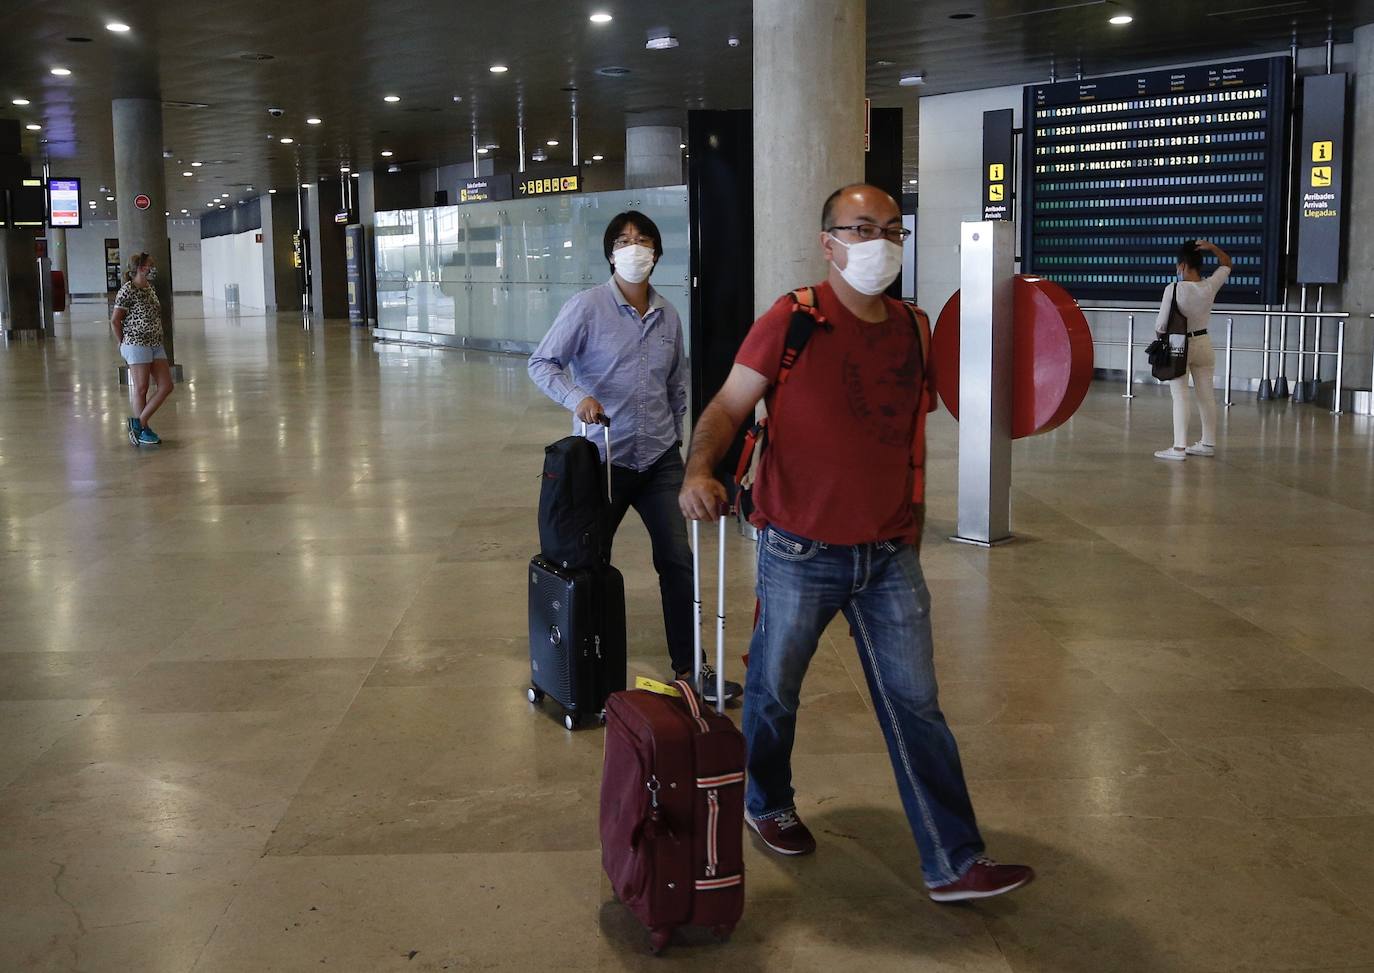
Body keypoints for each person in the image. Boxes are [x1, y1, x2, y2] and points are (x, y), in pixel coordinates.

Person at [678, 184, 1033, 902]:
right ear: (829, 241)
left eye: (892, 229)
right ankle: (766, 800)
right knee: (775, 692)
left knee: (916, 705)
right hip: (798, 550)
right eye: (863, 228)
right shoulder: (793, 318)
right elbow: (725, 406)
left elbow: (907, 435)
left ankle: (953, 859)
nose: (881, 243)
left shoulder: (916, 326)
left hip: (888, 554)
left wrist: (912, 527)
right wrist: (697, 469)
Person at [528, 211, 742, 705]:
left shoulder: (668, 315)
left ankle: (692, 669)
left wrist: (681, 448)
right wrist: (577, 396)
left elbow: (676, 386)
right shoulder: (586, 307)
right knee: (586, 562)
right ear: (610, 254)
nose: (634, 248)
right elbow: (543, 362)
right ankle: (583, 664)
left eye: (642, 240)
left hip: (660, 460)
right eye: (623, 241)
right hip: (602, 464)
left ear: (657, 254)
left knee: (677, 560)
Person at [1153, 239, 1231, 462]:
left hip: (1179, 344)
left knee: (1180, 396)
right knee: (1206, 396)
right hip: (1204, 342)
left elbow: (1160, 325)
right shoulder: (1209, 286)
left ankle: (1179, 448)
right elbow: (1227, 263)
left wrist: (1161, 340)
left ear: (1182, 266)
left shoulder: (1174, 288)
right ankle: (1207, 443)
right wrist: (1213, 248)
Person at [111, 252, 173, 447]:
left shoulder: (150, 288)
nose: (153, 268)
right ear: (139, 267)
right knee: (141, 388)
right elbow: (115, 320)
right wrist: (122, 343)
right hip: (136, 343)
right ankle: (142, 430)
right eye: (150, 265)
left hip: (155, 343)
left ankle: (138, 423)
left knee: (166, 386)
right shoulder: (127, 290)